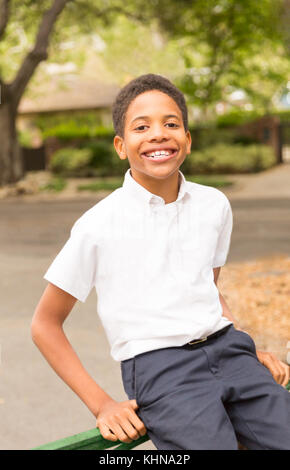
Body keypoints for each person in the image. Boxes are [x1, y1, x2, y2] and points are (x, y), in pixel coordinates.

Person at [31, 74, 290, 450]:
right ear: (121, 146)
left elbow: (208, 287)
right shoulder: (98, 225)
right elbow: (45, 324)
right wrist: (101, 404)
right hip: (161, 370)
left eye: (171, 124)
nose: (158, 134)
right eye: (141, 126)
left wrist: (247, 350)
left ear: (187, 139)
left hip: (230, 351)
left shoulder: (213, 204)